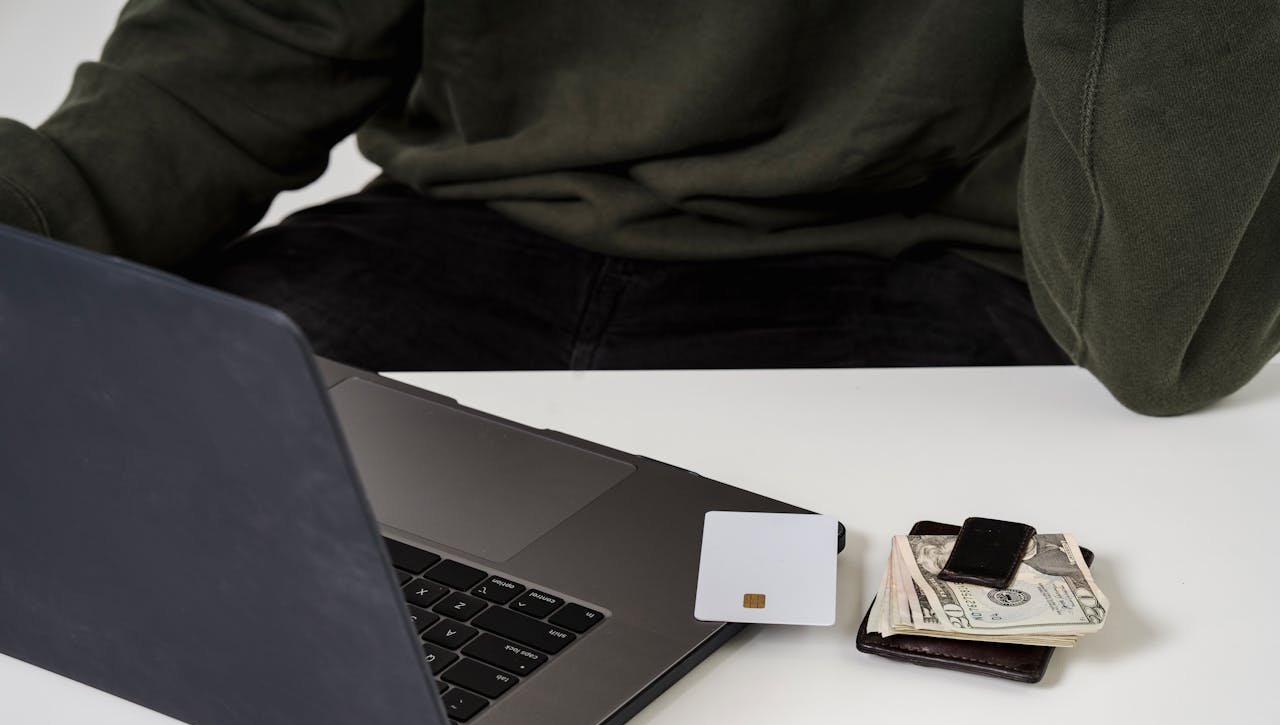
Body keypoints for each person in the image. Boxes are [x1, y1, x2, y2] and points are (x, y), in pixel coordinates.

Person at [1, 1, 1277, 416]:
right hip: (459, 232)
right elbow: (249, 43)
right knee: (102, 501)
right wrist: (34, 213)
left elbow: (1163, 340)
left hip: (934, 269)